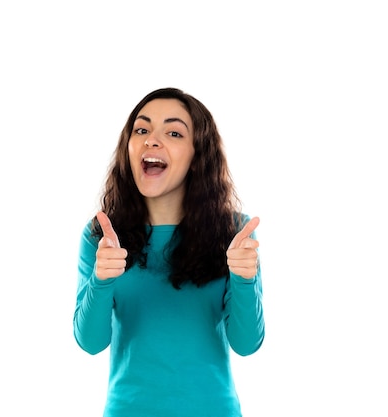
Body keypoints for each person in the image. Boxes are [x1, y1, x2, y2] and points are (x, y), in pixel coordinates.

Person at [73, 87, 264, 417]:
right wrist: (101, 280)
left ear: (196, 156)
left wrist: (244, 279)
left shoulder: (234, 234)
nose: (152, 140)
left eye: (173, 132)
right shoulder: (103, 236)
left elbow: (246, 344)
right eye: (142, 129)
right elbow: (90, 342)